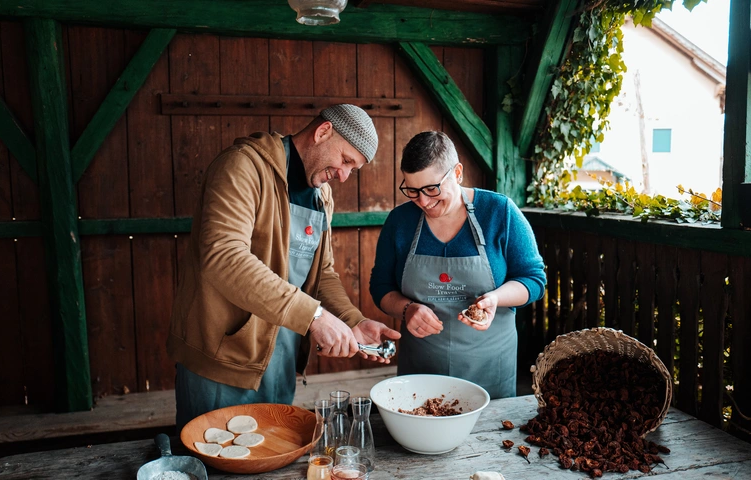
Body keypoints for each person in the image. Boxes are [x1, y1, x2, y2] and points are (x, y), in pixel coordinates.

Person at [168, 104, 401, 430]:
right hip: (222, 363)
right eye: (346, 160)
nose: (345, 175)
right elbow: (224, 257)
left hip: (280, 363)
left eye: (354, 169)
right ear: (323, 132)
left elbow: (322, 274)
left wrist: (353, 321)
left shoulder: (322, 196)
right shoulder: (242, 167)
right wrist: (315, 316)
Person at [370, 131, 546, 399]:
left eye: (432, 189)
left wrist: (495, 298)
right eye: (412, 191)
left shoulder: (500, 213)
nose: (424, 202)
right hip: (422, 370)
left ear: (458, 173)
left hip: (490, 369)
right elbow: (381, 286)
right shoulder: (399, 221)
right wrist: (407, 309)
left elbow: (534, 280)